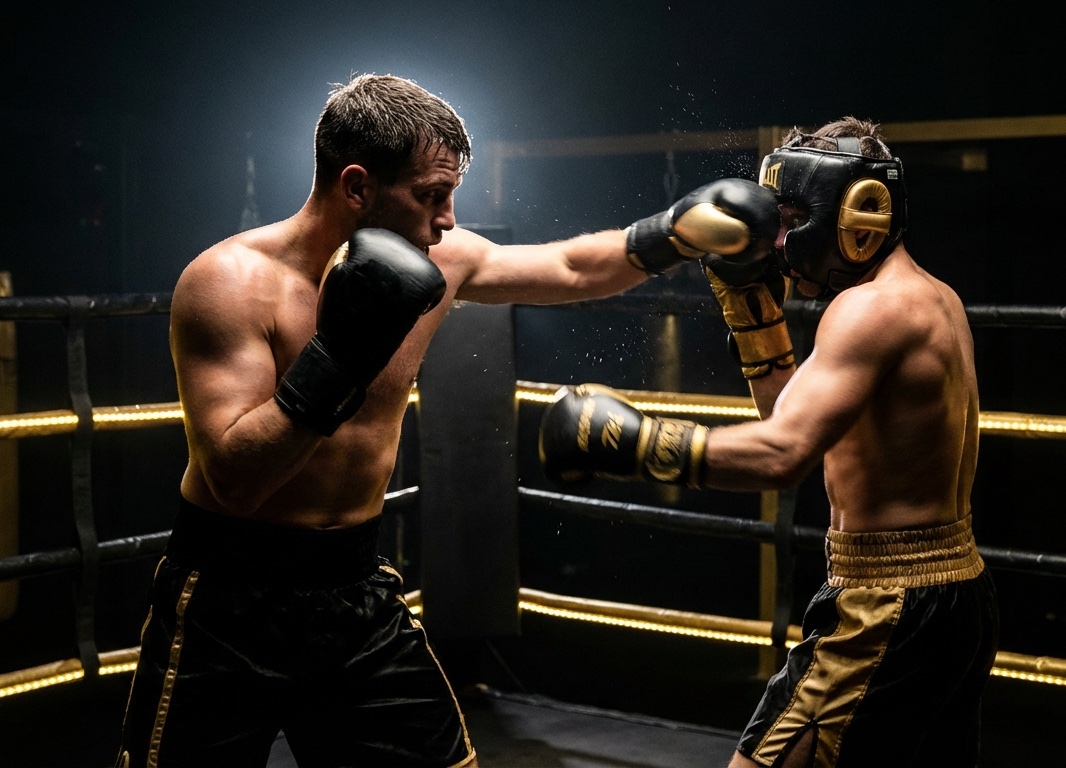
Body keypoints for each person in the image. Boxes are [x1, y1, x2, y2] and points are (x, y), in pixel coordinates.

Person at [114, 72, 779, 768]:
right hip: (226, 599)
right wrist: (340, 356)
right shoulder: (229, 283)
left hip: (352, 590)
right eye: (430, 196)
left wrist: (672, 234)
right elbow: (234, 482)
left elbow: (572, 268)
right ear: (356, 186)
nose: (449, 220)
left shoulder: (443, 259)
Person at [539, 117, 999, 768]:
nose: (778, 241)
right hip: (954, 594)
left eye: (790, 218)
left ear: (858, 212)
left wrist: (627, 443)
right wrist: (751, 308)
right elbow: (791, 415)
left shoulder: (867, 312)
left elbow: (782, 455)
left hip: (886, 607)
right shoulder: (928, 297)